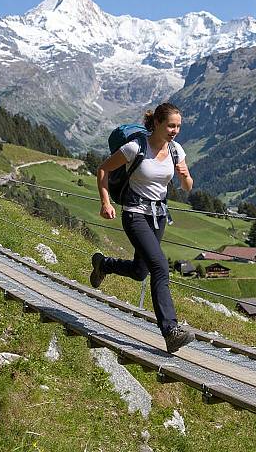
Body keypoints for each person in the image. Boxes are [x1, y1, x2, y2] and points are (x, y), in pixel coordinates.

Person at [90, 103, 195, 353]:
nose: (175, 130)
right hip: (135, 214)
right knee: (160, 266)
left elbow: (188, 187)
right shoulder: (136, 147)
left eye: (178, 126)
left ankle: (104, 265)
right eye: (171, 125)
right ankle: (171, 331)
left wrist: (184, 176)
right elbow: (103, 169)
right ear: (157, 123)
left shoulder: (176, 151)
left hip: (158, 216)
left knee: (140, 271)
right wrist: (105, 202)